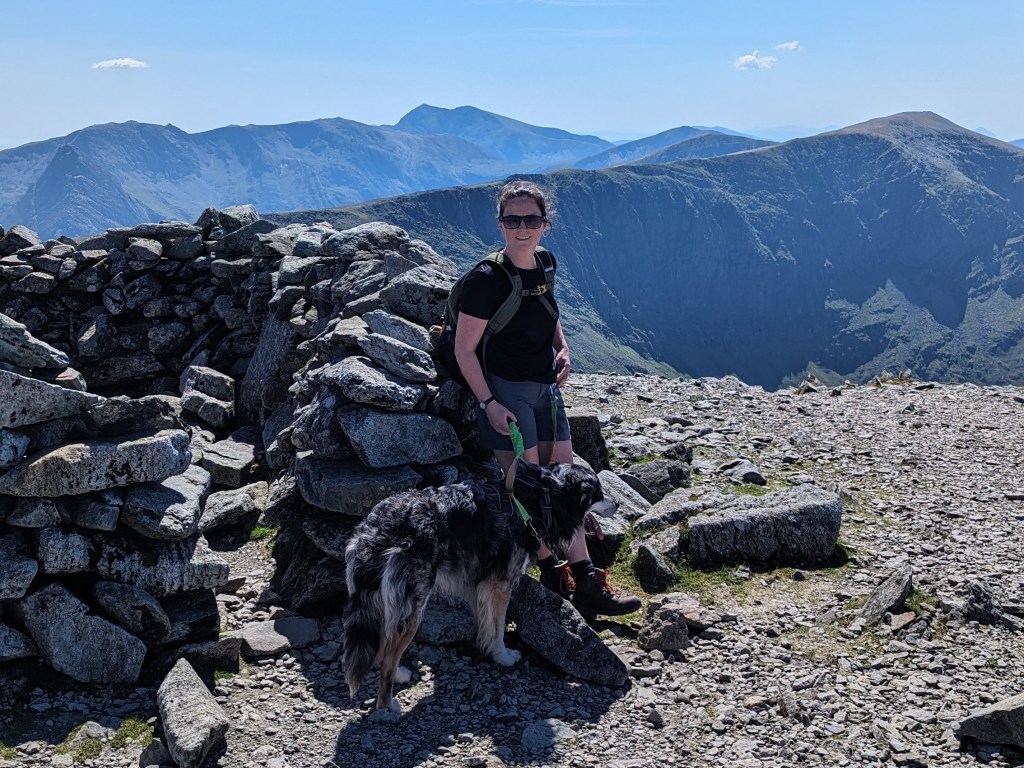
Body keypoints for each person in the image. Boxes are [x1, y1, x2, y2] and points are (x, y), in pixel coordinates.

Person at [453, 180, 641, 618]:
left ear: (545, 224)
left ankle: (587, 579)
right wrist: (488, 403)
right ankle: (554, 571)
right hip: (507, 394)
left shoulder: (545, 264)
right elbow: (464, 350)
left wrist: (564, 349)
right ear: (500, 224)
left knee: (566, 482)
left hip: (547, 391)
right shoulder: (486, 279)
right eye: (513, 220)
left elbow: (549, 315)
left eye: (532, 220)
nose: (523, 228)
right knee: (532, 485)